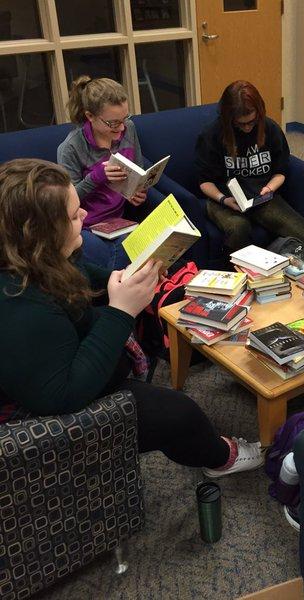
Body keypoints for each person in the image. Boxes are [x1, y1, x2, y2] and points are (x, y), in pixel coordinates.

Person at [0, 159, 263, 477]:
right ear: (39, 234)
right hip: (52, 409)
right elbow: (61, 396)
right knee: (182, 413)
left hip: (65, 348)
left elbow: (89, 277)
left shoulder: (46, 257)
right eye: (73, 215)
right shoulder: (19, 306)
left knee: (144, 341)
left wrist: (127, 278)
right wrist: (122, 310)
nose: (83, 214)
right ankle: (222, 459)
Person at [194, 80, 304, 254]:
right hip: (224, 199)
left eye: (251, 122)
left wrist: (269, 188)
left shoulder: (270, 128)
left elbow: (281, 171)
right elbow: (204, 182)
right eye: (240, 124)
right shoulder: (212, 135)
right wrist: (224, 199)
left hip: (261, 197)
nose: (247, 128)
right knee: (239, 228)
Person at [57, 76, 153, 270]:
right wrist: (96, 177)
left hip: (121, 220)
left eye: (125, 119)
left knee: (154, 247)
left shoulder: (128, 129)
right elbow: (67, 200)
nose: (121, 128)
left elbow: (138, 168)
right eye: (113, 123)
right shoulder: (71, 147)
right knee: (133, 257)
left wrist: (137, 191)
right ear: (90, 116)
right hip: (87, 227)